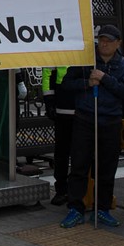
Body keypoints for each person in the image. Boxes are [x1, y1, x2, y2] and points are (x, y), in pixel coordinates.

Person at [59, 23, 124, 229]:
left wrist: (105, 78)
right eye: (101, 40)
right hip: (85, 119)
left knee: (107, 168)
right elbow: (66, 84)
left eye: (109, 41)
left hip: (110, 121)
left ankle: (102, 209)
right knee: (79, 165)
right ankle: (75, 208)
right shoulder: (85, 60)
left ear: (118, 43)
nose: (104, 44)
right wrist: (87, 83)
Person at [41, 66, 75, 206]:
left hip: (83, 109)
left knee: (82, 154)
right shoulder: (57, 53)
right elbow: (47, 74)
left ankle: (78, 190)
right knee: (62, 153)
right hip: (62, 109)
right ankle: (61, 190)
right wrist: (49, 102)